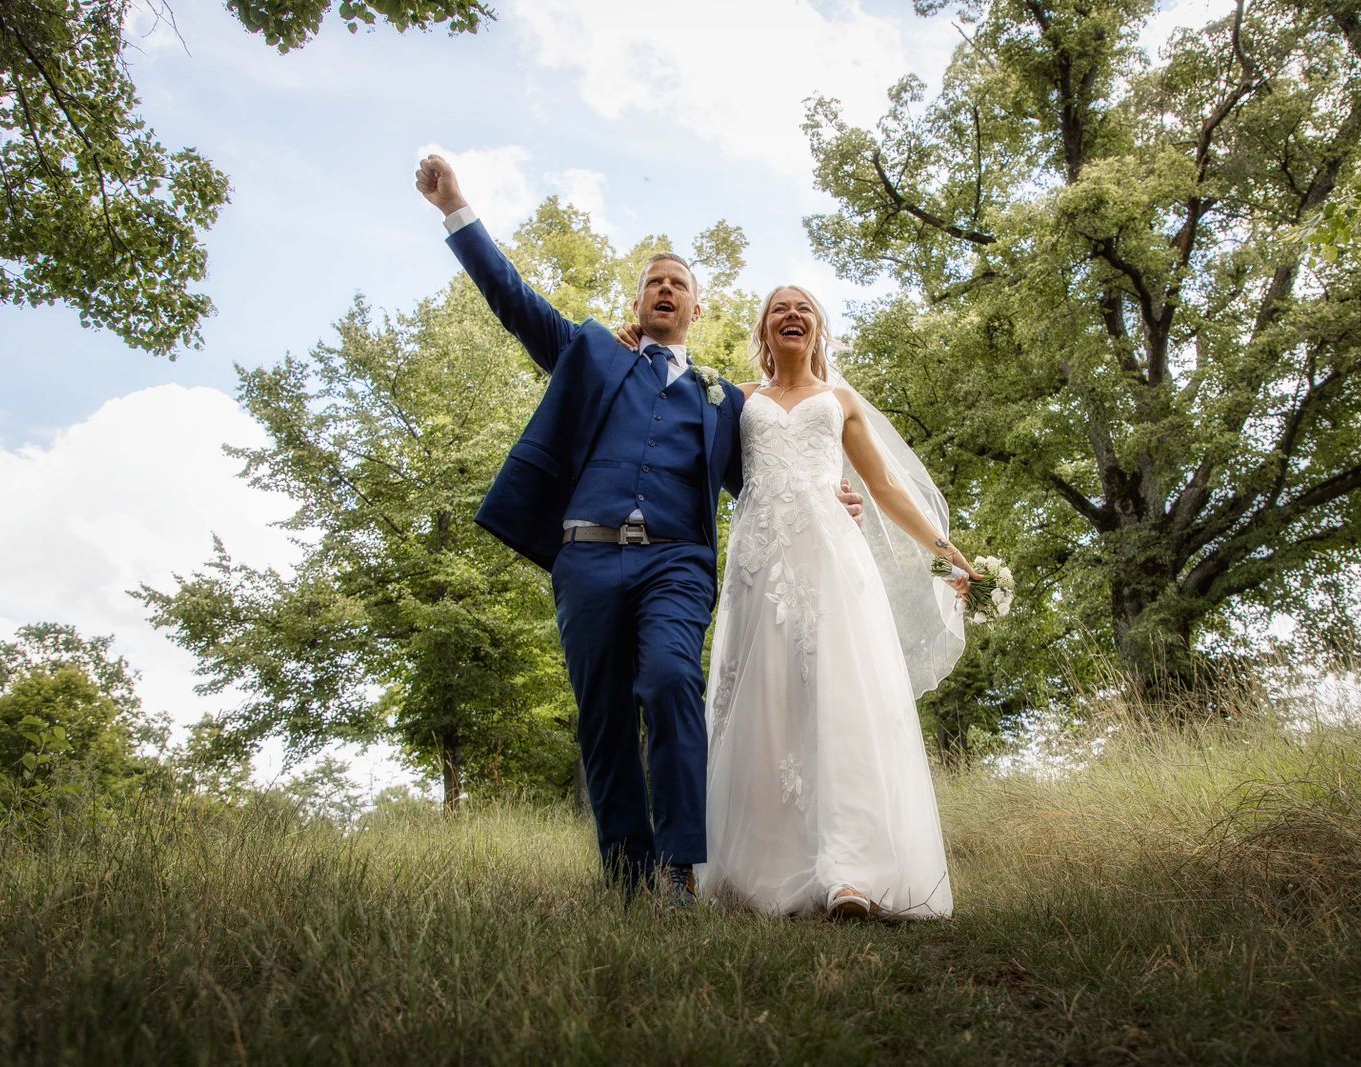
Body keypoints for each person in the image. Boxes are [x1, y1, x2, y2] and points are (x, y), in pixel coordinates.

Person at [414, 156, 862, 904]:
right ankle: (626, 875)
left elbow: (766, 476)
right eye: (655, 281)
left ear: (695, 308)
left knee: (670, 678)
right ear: (639, 300)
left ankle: (680, 866)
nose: (665, 289)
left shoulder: (724, 399)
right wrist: (455, 207)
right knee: (605, 717)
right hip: (586, 557)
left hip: (677, 562)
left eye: (678, 283)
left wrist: (829, 498)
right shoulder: (594, 352)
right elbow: (514, 300)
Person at [618, 286, 977, 920]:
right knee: (765, 701)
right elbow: (673, 435)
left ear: (818, 328)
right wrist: (638, 351)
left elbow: (885, 487)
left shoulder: (840, 400)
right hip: (758, 568)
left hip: (830, 563)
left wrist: (947, 554)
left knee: (838, 698)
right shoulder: (735, 399)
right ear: (764, 330)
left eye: (803, 308)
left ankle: (850, 874)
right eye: (779, 309)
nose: (791, 315)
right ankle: (761, 871)